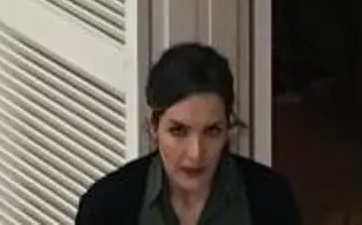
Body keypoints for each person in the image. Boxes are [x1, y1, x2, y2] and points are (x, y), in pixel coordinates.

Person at [75, 43, 303, 225]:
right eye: (178, 131)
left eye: (212, 131)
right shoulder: (104, 207)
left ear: (228, 127)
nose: (196, 154)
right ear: (154, 127)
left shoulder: (273, 200)